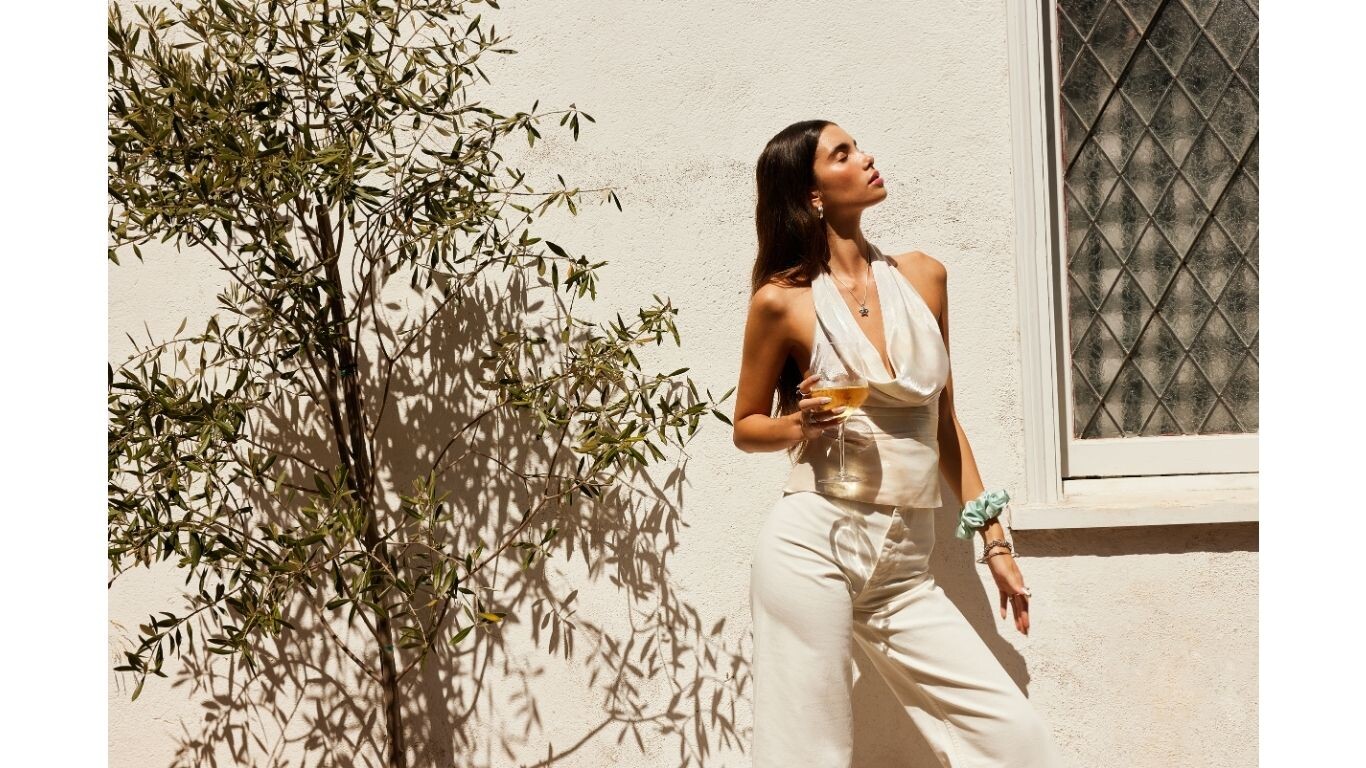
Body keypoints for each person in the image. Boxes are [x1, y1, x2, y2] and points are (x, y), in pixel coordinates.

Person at [732, 120, 1067, 767]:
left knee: (1014, 738)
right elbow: (746, 425)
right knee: (809, 754)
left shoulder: (924, 277)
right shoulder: (782, 302)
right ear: (812, 195)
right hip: (814, 544)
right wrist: (799, 425)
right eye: (843, 153)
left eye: (857, 146)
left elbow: (945, 423)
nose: (866, 157)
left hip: (903, 569)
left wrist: (995, 542)